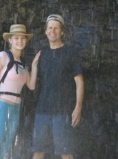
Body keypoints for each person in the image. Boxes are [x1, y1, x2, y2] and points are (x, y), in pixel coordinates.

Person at [31, 14, 85, 159]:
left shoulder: (71, 53)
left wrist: (78, 107)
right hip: (42, 110)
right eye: (50, 28)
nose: (52, 31)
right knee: (38, 151)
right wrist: (33, 66)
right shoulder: (42, 54)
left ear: (62, 32)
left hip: (63, 111)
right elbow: (32, 85)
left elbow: (79, 81)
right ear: (45, 31)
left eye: (56, 28)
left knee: (65, 152)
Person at [0, 24, 40, 159]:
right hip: (0, 106)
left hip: (15, 108)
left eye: (23, 38)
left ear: (26, 40)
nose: (20, 41)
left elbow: (31, 86)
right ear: (10, 40)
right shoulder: (2, 57)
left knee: (6, 146)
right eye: (16, 38)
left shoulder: (22, 63)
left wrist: (34, 65)